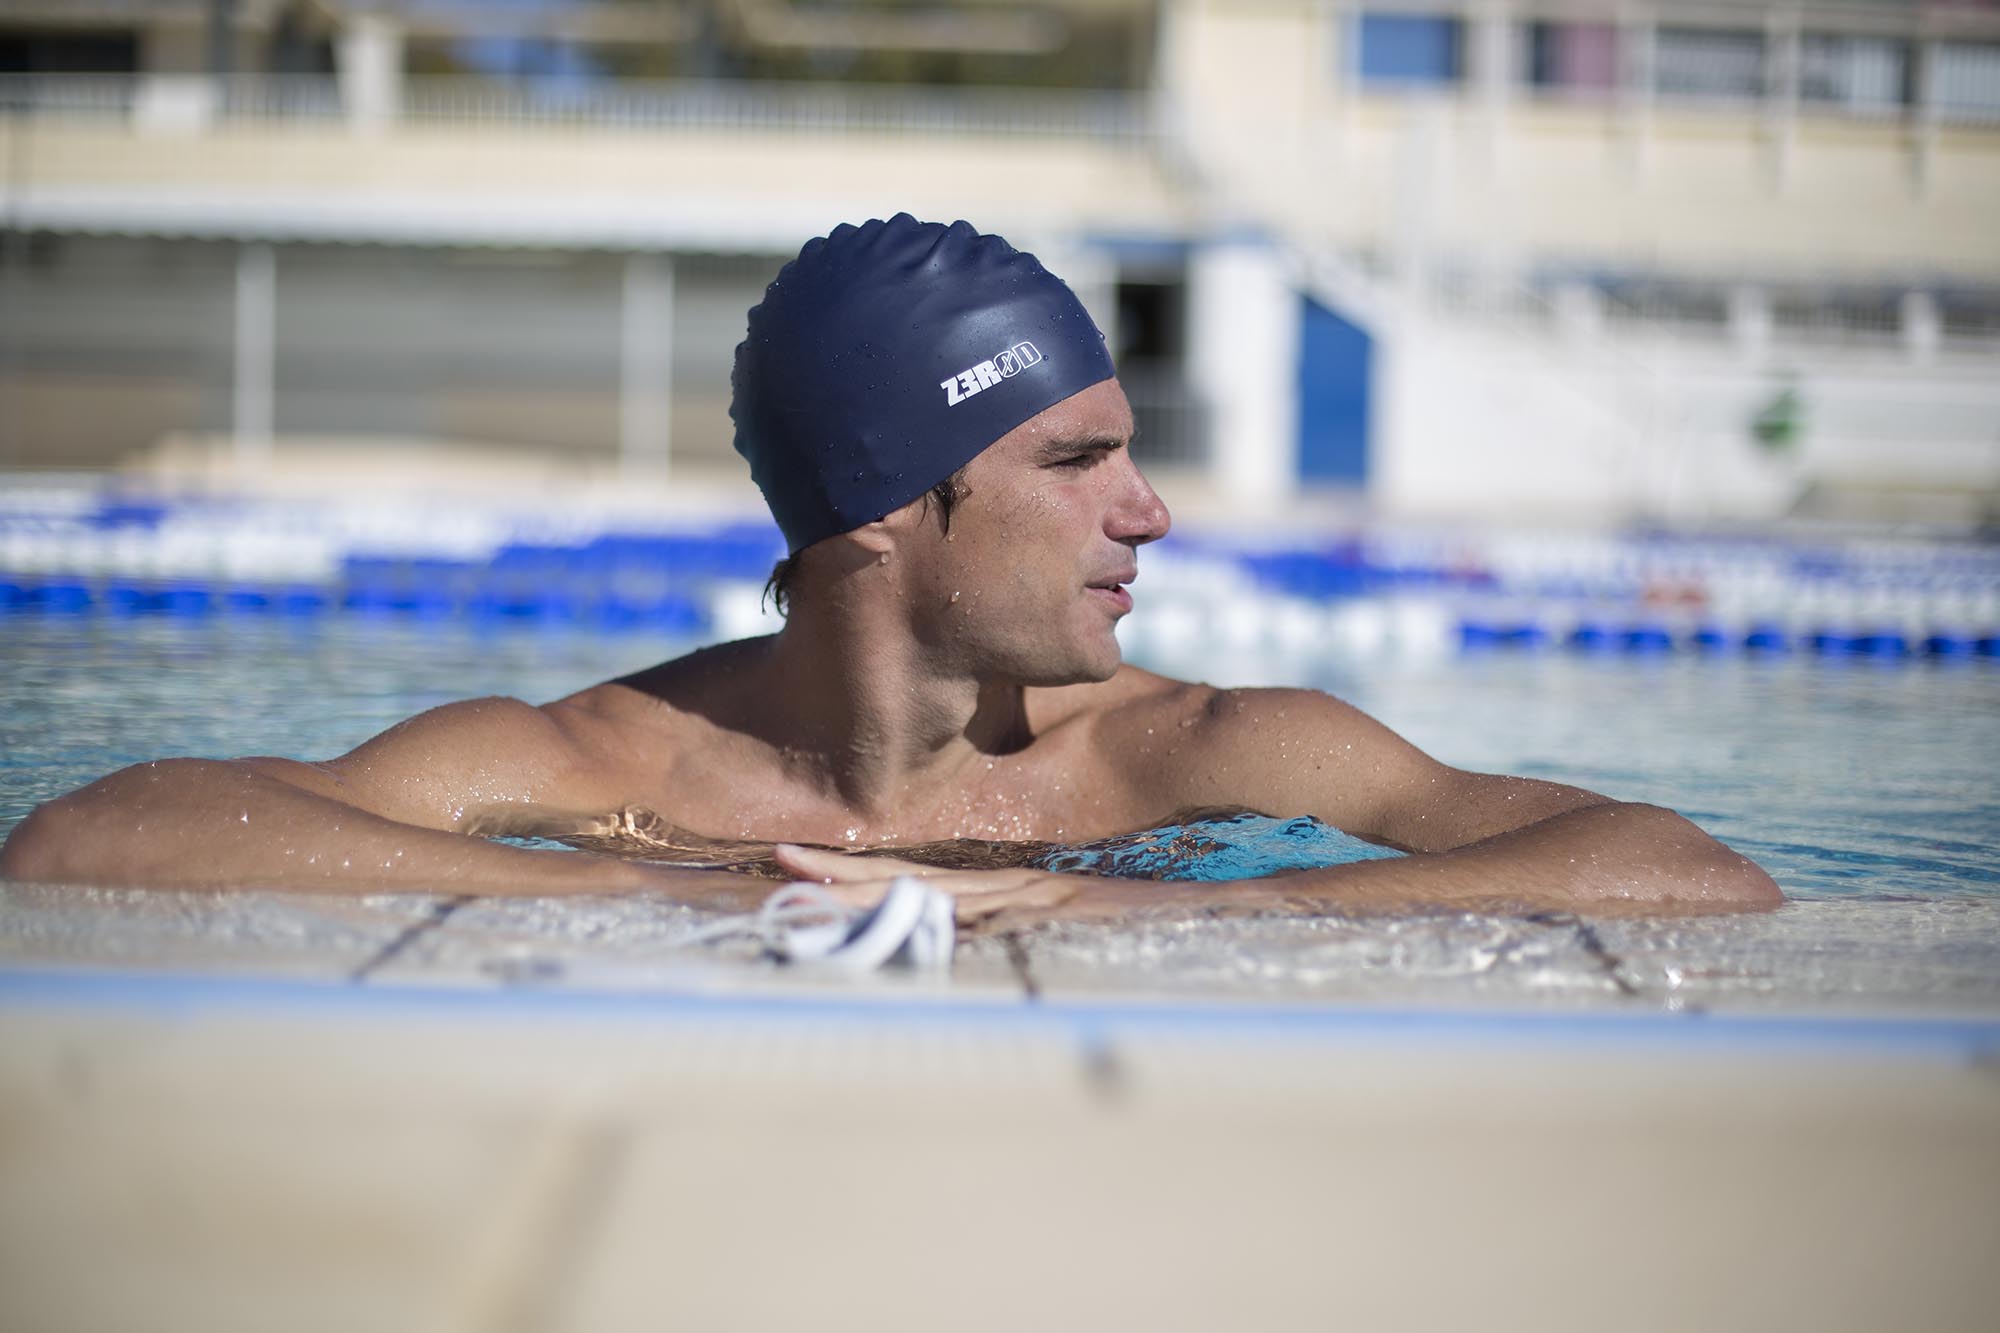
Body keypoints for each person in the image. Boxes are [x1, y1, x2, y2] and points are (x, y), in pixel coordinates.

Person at [0, 215, 1780, 924]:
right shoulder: (607, 772)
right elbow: (92, 834)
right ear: (878, 515)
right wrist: (674, 898)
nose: (1150, 512)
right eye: (1077, 463)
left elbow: (1692, 871)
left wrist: (1159, 913)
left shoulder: (1210, 756)